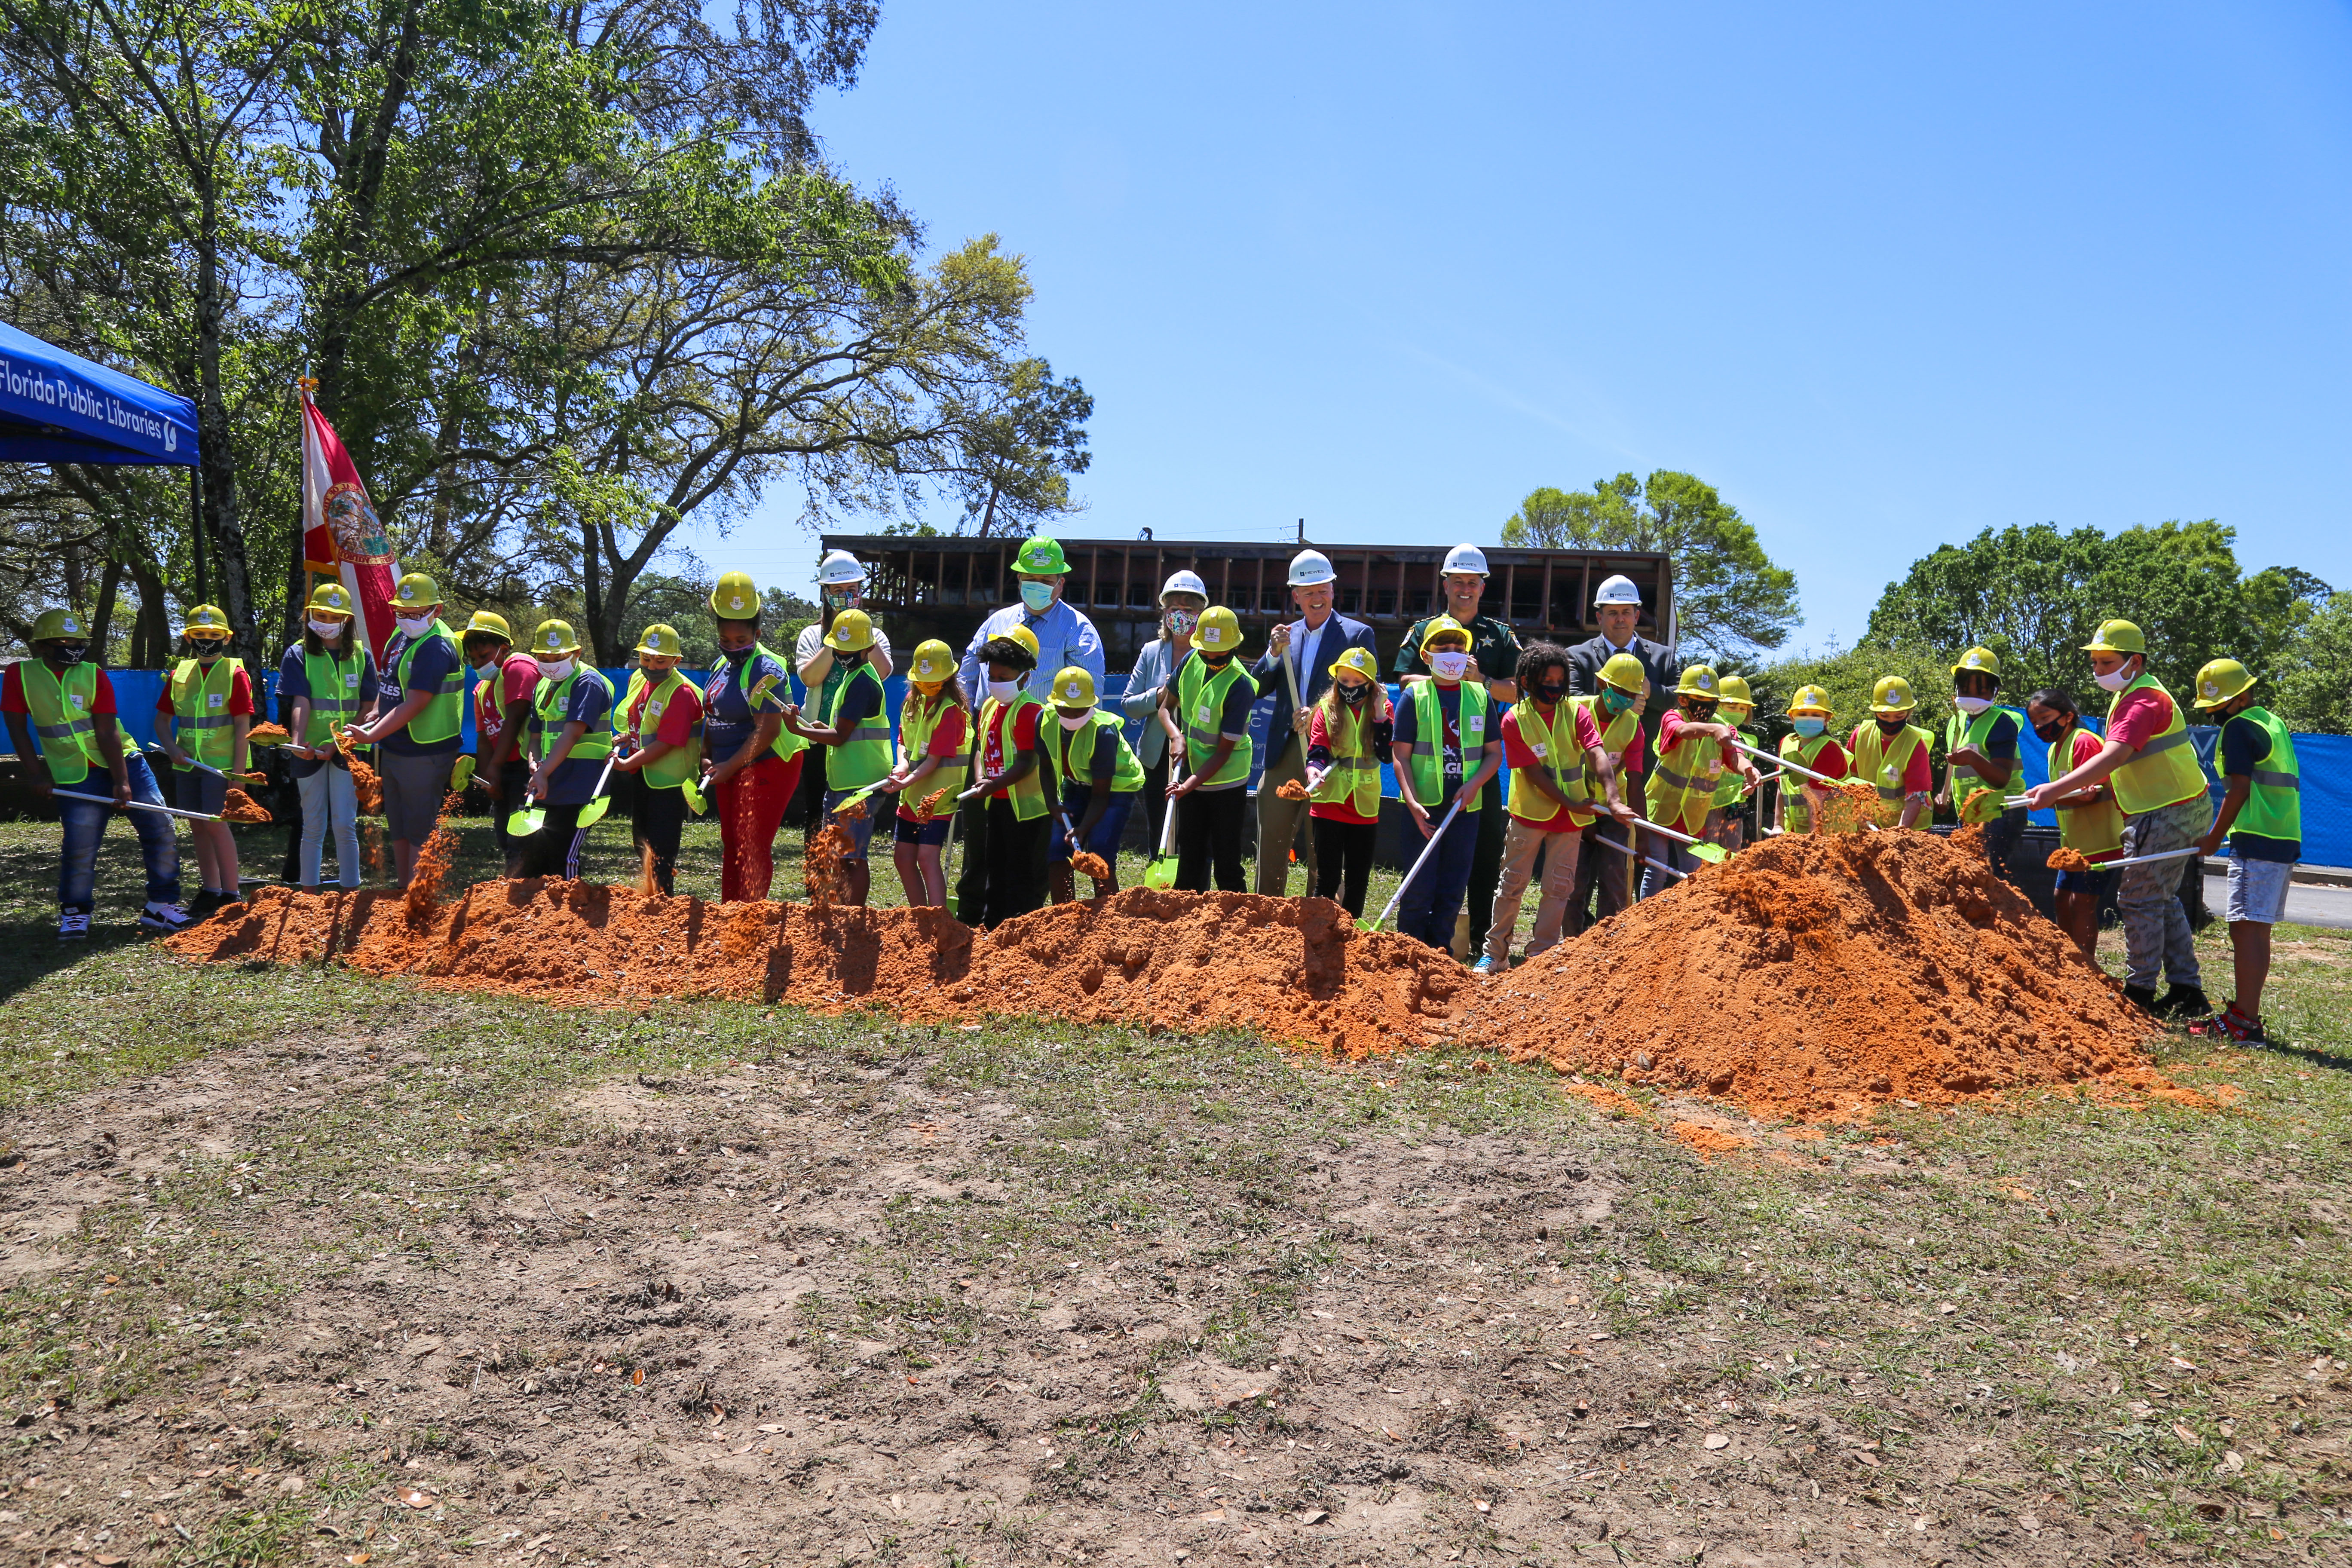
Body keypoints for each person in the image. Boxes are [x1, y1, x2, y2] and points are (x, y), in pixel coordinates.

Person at [2024, 619, 2214, 1019]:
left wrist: (2053, 791)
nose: (2098, 671)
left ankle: (2140, 990)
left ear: (2135, 661)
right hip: (2171, 808)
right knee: (2160, 899)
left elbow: (2113, 756)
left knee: (2138, 898)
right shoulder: (2131, 694)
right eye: (2095, 663)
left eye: (2107, 662)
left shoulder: (2142, 701)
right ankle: (2186, 989)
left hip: (2168, 810)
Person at [3, 607, 188, 938]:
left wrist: (122, 781)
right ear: (42, 646)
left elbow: (107, 732)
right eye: (62, 641)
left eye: (77, 640)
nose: (71, 646)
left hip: (124, 762)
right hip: (75, 773)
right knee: (80, 845)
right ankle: (75, 913)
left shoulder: (93, 673)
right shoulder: (20, 676)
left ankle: (161, 906)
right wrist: (36, 775)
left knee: (160, 827)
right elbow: (17, 728)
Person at [956, 536, 1106, 919]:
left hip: (1044, 753)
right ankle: (974, 919)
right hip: (990, 743)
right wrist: (970, 718)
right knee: (982, 844)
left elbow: (1090, 693)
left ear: (1061, 583)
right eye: (1029, 577)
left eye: (1046, 578)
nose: (1036, 584)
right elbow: (969, 671)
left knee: (1030, 849)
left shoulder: (1079, 629)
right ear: (1018, 579)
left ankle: (1023, 921)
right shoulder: (998, 622)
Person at [1476, 642, 1634, 973]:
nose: (1555, 688)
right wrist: (1570, 802)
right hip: (1530, 814)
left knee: (1559, 887)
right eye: (1547, 681)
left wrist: (1613, 798)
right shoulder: (1513, 720)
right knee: (1512, 883)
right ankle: (1495, 953)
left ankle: (1542, 957)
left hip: (1570, 819)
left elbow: (1597, 752)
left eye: (1560, 681)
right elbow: (1533, 773)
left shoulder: (1577, 713)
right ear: (1527, 682)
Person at [1394, 545, 1520, 956]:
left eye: (1473, 582)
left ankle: (1484, 943)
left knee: (1480, 859)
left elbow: (1518, 690)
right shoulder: (1423, 631)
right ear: (1445, 584)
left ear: (1483, 587)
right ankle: (1415, 944)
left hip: (1477, 776)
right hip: (1431, 784)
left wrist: (1480, 679)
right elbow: (1405, 680)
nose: (1465, 589)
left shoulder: (1500, 635)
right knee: (1425, 870)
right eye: (1458, 582)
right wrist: (1443, 672)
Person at [1252, 549, 1378, 896]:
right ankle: (1267, 911)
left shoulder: (1357, 635)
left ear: (1333, 590)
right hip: (1285, 749)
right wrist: (1273, 654)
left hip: (1329, 753)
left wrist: (1319, 711)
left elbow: (1366, 691)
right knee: (1273, 832)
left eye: (1323, 589)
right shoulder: (1285, 637)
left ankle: (1319, 915)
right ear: (1296, 596)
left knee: (1322, 840)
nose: (1317, 598)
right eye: (1309, 592)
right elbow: (1257, 686)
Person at [2192, 658, 2300, 1042]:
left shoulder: (2238, 728)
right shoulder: (2272, 721)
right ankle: (2245, 1014)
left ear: (2238, 699)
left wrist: (2212, 836)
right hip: (2282, 835)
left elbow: (2238, 790)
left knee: (2245, 929)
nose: (2214, 715)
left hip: (2256, 838)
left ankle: (2244, 1022)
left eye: (2216, 707)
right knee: (2255, 929)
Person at [343, 572, 464, 889]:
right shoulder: (400, 638)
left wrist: (372, 735)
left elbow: (416, 703)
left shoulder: (436, 647)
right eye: (401, 612)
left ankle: (419, 895)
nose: (407, 619)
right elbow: (390, 685)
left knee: (419, 825)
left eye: (416, 614)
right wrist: (374, 713)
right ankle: (403, 889)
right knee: (397, 823)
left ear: (437, 610)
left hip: (425, 749)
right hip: (396, 744)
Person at [1390, 616, 1502, 952]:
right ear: (1426, 656)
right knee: (1418, 890)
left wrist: (1475, 786)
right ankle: (1408, 956)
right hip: (1423, 811)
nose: (1452, 655)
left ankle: (1440, 955)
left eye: (1459, 649)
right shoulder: (1416, 696)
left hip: (1465, 810)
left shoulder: (1481, 696)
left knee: (1452, 890)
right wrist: (1412, 803)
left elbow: (1494, 755)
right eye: (1444, 649)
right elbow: (1401, 757)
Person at [699, 571, 808, 902]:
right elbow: (712, 714)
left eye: (741, 641)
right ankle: (730, 912)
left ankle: (751, 919)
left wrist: (730, 766)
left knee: (752, 844)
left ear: (757, 633)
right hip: (729, 766)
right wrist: (708, 756)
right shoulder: (722, 665)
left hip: (767, 763)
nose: (733, 647)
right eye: (727, 641)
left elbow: (768, 729)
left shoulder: (766, 668)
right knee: (732, 842)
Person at [779, 608, 890, 907]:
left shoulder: (861, 683)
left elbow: (841, 737)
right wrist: (820, 728)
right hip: (849, 779)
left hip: (859, 784)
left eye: (850, 649)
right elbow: (844, 730)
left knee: (852, 857)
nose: (843, 654)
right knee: (843, 854)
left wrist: (797, 728)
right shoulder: (854, 677)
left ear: (868, 649)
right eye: (839, 648)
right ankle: (841, 910)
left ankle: (852, 915)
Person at [154, 603, 253, 919]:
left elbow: (242, 727)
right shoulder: (179, 674)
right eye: (199, 634)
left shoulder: (235, 674)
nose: (206, 640)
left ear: (227, 638)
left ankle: (232, 894)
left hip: (220, 766)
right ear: (187, 638)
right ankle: (211, 890)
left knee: (216, 824)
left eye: (213, 635)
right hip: (187, 766)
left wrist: (238, 775)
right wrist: (171, 748)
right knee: (197, 826)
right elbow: (161, 722)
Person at [277, 583, 377, 894]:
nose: (327, 622)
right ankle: (309, 893)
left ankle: (351, 891)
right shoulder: (297, 653)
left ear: (347, 620)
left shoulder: (362, 655)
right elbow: (300, 701)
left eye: (335, 617)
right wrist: (298, 743)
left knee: (345, 824)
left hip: (349, 750)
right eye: (321, 615)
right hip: (309, 751)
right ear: (309, 615)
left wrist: (340, 741)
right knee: (314, 824)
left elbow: (369, 706)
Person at [792, 549, 895, 840]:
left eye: (852, 590)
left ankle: (845, 877)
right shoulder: (812, 637)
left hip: (856, 747)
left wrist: (859, 633)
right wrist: (835, 637)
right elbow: (811, 678)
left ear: (861, 593)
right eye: (838, 591)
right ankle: (816, 880)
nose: (846, 596)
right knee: (816, 814)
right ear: (825, 593)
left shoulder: (876, 637)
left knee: (850, 820)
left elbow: (884, 671)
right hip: (818, 737)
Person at [1164, 606, 1259, 894]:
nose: (1213, 658)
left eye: (1221, 653)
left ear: (1235, 646)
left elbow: (1223, 752)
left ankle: (1239, 925)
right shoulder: (1191, 661)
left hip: (1226, 780)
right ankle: (1183, 922)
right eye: (1207, 652)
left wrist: (1186, 787)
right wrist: (1175, 735)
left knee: (1226, 857)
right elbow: (1165, 709)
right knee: (1190, 852)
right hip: (1191, 769)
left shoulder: (1241, 686)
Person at [959, 624, 1050, 925]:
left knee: (1021, 869)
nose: (997, 684)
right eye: (993, 678)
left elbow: (1026, 762)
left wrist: (993, 783)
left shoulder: (1030, 711)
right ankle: (993, 924)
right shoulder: (988, 707)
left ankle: (1021, 925)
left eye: (1004, 679)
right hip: (996, 800)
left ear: (1025, 676)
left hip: (1027, 809)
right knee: (994, 864)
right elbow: (980, 749)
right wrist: (982, 777)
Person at [1644, 665, 1758, 895]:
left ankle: (1685, 923)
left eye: (1711, 700)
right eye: (1699, 698)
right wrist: (1713, 728)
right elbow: (1684, 730)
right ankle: (1643, 923)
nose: (1705, 705)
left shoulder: (1724, 728)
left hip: (1693, 816)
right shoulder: (1673, 717)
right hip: (1662, 807)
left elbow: (1736, 756)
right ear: (1683, 700)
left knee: (1694, 874)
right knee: (1657, 869)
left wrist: (1749, 770)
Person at [2024, 688, 2120, 960]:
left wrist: (2050, 799)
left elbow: (2094, 793)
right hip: (2074, 844)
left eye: (2045, 717)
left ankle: (2085, 964)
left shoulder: (2084, 742)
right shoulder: (2055, 749)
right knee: (2061, 898)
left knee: (2083, 903)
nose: (2040, 726)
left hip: (2100, 842)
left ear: (2067, 716)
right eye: (2035, 722)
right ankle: (2067, 960)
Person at [515, 621, 614, 880]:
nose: (550, 662)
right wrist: (534, 765)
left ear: (577, 653)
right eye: (543, 657)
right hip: (550, 779)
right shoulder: (542, 686)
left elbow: (573, 732)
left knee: (565, 854)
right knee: (537, 854)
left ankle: (569, 913)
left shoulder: (588, 682)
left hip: (581, 782)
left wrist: (543, 772)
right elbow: (534, 735)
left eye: (558, 656)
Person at [609, 624, 703, 897]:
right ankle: (648, 897)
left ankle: (663, 903)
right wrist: (629, 737)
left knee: (662, 848)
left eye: (661, 660)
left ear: (676, 660)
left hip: (668, 782)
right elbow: (645, 721)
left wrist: (627, 764)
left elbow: (668, 741)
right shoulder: (639, 680)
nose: (652, 665)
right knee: (641, 841)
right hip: (643, 775)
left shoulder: (682, 693)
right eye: (646, 658)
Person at [1119, 570, 1206, 857]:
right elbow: (1129, 703)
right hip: (1157, 758)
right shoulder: (1151, 652)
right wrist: (1161, 694)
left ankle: (1192, 888)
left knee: (1193, 831)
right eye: (1174, 609)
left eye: (1188, 609)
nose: (1180, 615)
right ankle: (1159, 886)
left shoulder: (1210, 655)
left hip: (1197, 757)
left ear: (1200, 614)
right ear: (1165, 613)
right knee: (1159, 829)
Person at [1302, 647, 1393, 919]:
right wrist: (1313, 772)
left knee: (1358, 878)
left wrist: (1379, 714)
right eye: (1344, 681)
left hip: (1364, 803)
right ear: (1336, 680)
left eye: (1357, 682)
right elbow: (1317, 751)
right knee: (1327, 877)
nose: (1350, 687)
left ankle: (1352, 936)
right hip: (1329, 799)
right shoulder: (1326, 709)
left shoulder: (1384, 709)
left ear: (1371, 684)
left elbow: (1386, 754)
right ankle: (1318, 930)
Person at [877, 640, 969, 908]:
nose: (927, 686)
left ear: (949, 678)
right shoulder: (911, 703)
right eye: (922, 681)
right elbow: (904, 741)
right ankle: (919, 916)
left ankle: (938, 919)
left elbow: (933, 761)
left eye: (934, 680)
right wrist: (901, 765)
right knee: (903, 857)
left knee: (927, 858)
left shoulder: (951, 712)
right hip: (912, 795)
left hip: (938, 797)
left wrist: (906, 779)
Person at [1565, 652, 1650, 931]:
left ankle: (1609, 941)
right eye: (1620, 691)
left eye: (1631, 694)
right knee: (1574, 881)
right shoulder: (1572, 710)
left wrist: (1642, 835)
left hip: (1614, 811)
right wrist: (1584, 818)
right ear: (1603, 685)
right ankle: (1570, 940)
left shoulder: (1632, 726)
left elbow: (1636, 781)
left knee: (1615, 881)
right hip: (1574, 808)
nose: (1625, 699)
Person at [1044, 666, 1143, 901]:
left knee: (1100, 851)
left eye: (1080, 711)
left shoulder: (1103, 733)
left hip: (1115, 790)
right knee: (1058, 850)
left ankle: (1107, 921)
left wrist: (1082, 829)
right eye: (1066, 710)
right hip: (1076, 784)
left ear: (1091, 705)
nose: (1072, 717)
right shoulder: (1045, 721)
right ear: (1056, 704)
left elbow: (1101, 796)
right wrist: (1052, 804)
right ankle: (1064, 917)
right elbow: (1046, 766)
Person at [459, 610, 539, 876]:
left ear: (503, 648)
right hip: (504, 769)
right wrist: (489, 776)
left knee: (522, 838)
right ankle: (514, 890)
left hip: (527, 767)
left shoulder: (518, 667)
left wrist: (494, 767)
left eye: (483, 656)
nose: (478, 663)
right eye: (472, 659)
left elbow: (515, 718)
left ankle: (522, 892)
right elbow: (483, 738)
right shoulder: (481, 689)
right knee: (505, 836)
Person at [1939, 646, 2026, 876]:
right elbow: (1956, 772)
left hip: (2001, 813)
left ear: (1995, 691)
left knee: (1989, 877)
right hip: (1970, 815)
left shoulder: (2002, 723)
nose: (1972, 696)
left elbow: (2001, 779)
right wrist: (1944, 796)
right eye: (1966, 689)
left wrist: (1972, 758)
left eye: (1981, 690)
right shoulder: (1955, 723)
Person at [1564, 573, 1677, 725]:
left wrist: (1651, 691)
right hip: (1596, 747)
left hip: (1647, 749)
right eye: (1613, 613)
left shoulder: (1663, 657)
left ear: (1636, 617)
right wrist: (1621, 703)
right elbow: (1570, 701)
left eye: (1626, 612)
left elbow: (1681, 698)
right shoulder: (1577, 657)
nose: (1620, 619)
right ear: (1599, 618)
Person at [1848, 676, 1935, 831]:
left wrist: (1899, 834)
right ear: (1875, 712)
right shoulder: (1861, 736)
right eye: (1884, 716)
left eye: (1899, 716)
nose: (1891, 721)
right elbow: (1850, 780)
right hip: (1871, 824)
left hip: (1912, 828)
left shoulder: (1915, 745)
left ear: (1909, 713)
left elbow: (1916, 797)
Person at [1774, 683, 1850, 836]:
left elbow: (1817, 801)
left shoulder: (1828, 748)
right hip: (1796, 830)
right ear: (1792, 717)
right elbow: (1781, 788)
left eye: (1816, 715)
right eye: (1803, 714)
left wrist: (1813, 840)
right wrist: (1778, 825)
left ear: (1827, 719)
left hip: (1829, 833)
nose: (1809, 719)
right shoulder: (1787, 743)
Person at [1703, 673, 1758, 854]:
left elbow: (1744, 772)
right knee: (1709, 852)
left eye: (1743, 708)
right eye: (1732, 706)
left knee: (1732, 853)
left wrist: (1749, 784)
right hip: (1709, 802)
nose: (1738, 712)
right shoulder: (1707, 732)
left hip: (1735, 804)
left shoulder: (1750, 741)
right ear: (1717, 705)